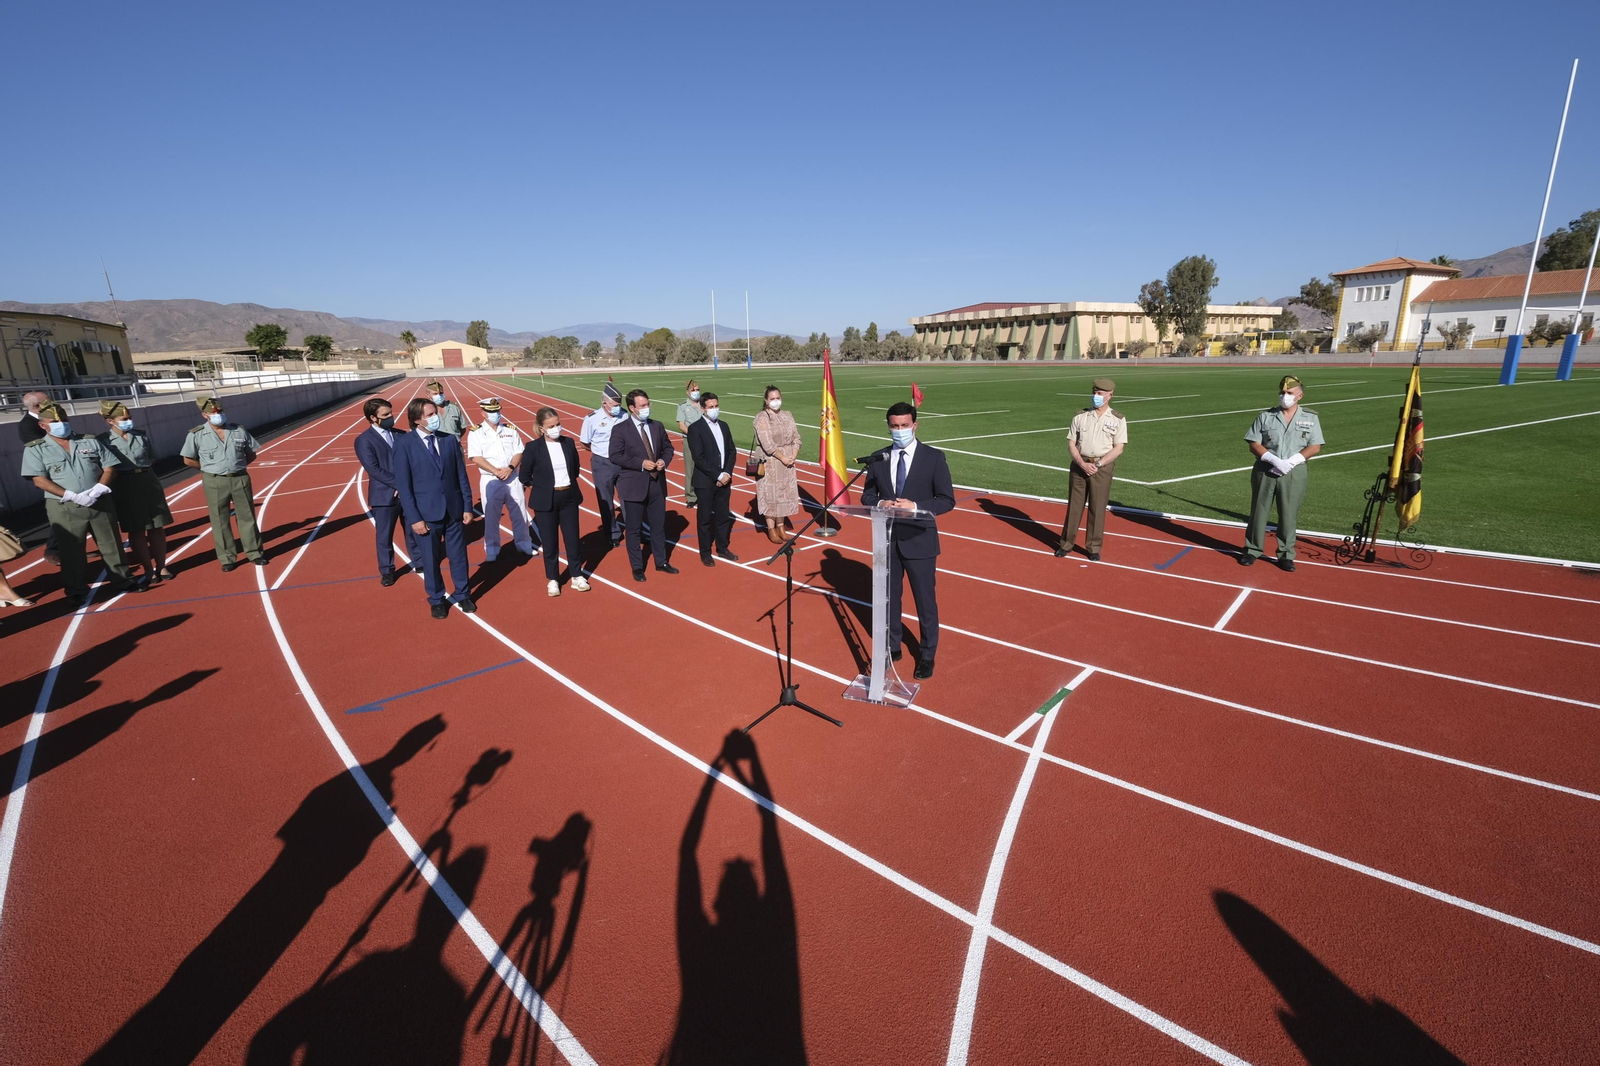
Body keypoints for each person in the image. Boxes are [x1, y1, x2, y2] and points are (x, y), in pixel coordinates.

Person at [860, 402, 954, 680]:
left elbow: (947, 500)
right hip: (887, 541)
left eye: (904, 426)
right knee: (889, 598)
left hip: (920, 541)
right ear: (888, 426)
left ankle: (927, 654)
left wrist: (914, 506)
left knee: (925, 601)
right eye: (894, 426)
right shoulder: (878, 458)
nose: (899, 431)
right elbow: (866, 497)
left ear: (915, 425)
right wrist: (880, 502)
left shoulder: (933, 458)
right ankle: (892, 646)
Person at [20, 402, 141, 605]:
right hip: (65, 506)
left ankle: (124, 580)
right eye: (55, 422)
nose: (62, 424)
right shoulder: (36, 449)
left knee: (111, 543)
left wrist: (99, 488)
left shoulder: (89, 441)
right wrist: (70, 495)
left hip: (98, 501)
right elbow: (39, 479)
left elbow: (110, 466)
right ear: (43, 426)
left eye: (64, 420)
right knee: (71, 550)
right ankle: (75, 588)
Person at [393, 398, 477, 618]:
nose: (435, 417)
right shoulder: (404, 444)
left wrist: (468, 506)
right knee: (430, 559)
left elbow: (461, 477)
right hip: (426, 514)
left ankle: (463, 594)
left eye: (435, 413)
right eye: (430, 415)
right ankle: (437, 598)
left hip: (454, 510)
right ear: (417, 420)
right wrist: (414, 518)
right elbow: (404, 485)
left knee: (459, 556)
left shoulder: (449, 441)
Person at [1242, 375, 1324, 572]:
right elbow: (1254, 443)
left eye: (1289, 393)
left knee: (1288, 514)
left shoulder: (1310, 418)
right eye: (1282, 392)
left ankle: (1286, 554)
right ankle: (1252, 550)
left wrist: (1293, 461)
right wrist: (1273, 459)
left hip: (1294, 472)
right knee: (1259, 511)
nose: (1284, 396)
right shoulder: (1266, 416)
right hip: (1266, 469)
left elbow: (1315, 446)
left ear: (1300, 396)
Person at [180, 397, 267, 572]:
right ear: (205, 415)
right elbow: (188, 459)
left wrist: (236, 467)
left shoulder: (238, 430)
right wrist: (208, 469)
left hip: (239, 478)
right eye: (214, 413)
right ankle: (227, 557)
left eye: (220, 411)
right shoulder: (196, 434)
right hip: (214, 480)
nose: (218, 415)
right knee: (220, 519)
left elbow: (251, 454)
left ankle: (254, 552)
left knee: (247, 517)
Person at [518, 406, 592, 597]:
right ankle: (553, 579)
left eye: (558, 424)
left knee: (572, 539)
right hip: (545, 500)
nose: (556, 428)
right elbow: (524, 476)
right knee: (550, 542)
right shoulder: (533, 448)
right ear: (541, 428)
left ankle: (577, 576)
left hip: (568, 496)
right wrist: (542, 487)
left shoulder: (568, 443)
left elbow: (575, 469)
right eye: (551, 426)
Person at [99, 400, 174, 585]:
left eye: (130, 417)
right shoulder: (103, 441)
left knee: (157, 526)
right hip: (124, 483)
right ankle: (148, 567)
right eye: (124, 418)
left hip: (148, 480)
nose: (129, 421)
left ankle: (161, 565)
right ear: (111, 421)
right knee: (136, 528)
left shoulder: (140, 436)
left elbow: (152, 456)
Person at [609, 388, 678, 581]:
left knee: (658, 526)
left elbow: (668, 448)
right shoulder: (620, 429)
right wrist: (640, 464)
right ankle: (637, 567)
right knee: (634, 529)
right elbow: (615, 455)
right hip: (633, 485)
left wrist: (664, 460)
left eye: (648, 404)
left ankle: (661, 561)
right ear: (632, 408)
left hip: (657, 483)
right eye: (642, 406)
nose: (647, 408)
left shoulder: (657, 426)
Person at [1056, 377, 1127, 561]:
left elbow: (1118, 448)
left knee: (1097, 508)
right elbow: (1071, 444)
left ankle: (1093, 547)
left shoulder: (1118, 419)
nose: (1096, 396)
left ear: (1110, 395)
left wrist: (1097, 465)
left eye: (1100, 393)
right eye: (1094, 392)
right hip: (1080, 466)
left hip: (1101, 468)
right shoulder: (1080, 416)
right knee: (1074, 507)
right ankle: (1066, 544)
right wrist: (1082, 464)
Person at [354, 397, 422, 585]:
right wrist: (400, 485)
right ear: (373, 418)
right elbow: (374, 469)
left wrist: (407, 487)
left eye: (391, 413)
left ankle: (419, 560)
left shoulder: (401, 434)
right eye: (386, 415)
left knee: (413, 530)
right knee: (384, 535)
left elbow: (413, 462)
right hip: (384, 497)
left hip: (407, 494)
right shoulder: (363, 441)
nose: (391, 417)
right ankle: (387, 570)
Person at [465, 397, 537, 564]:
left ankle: (524, 544)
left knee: (519, 513)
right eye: (491, 412)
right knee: (491, 517)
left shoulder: (510, 430)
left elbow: (519, 452)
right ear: (483, 413)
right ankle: (492, 549)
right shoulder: (476, 432)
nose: (495, 414)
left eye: (497, 411)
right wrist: (496, 471)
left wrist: (510, 468)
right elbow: (476, 457)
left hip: (512, 478)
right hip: (491, 479)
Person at [686, 391, 739, 567]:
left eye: (716, 406)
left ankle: (723, 548)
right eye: (711, 407)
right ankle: (705, 553)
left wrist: (727, 473)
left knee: (723, 516)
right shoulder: (695, 429)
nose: (715, 409)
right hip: (705, 482)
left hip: (725, 479)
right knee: (705, 519)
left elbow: (731, 451)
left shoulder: (724, 426)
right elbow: (698, 457)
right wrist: (717, 475)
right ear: (703, 409)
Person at [752, 385, 801, 545]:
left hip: (788, 462)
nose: (775, 401)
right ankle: (771, 528)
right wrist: (783, 457)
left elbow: (796, 438)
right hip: (771, 462)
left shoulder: (788, 415)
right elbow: (768, 444)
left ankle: (781, 526)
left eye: (778, 398)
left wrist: (793, 455)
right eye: (772, 398)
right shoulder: (762, 418)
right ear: (766, 400)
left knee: (784, 495)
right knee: (771, 495)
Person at [17, 391, 61, 568]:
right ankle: (53, 550)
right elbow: (43, 449)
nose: (52, 404)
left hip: (66, 469)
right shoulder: (27, 426)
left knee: (80, 512)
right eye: (47, 402)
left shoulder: (54, 416)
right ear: (36, 406)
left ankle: (72, 547)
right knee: (61, 514)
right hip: (52, 474)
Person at [579, 382, 625, 545]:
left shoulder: (624, 415)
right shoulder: (592, 419)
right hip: (602, 462)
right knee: (606, 499)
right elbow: (585, 442)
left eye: (619, 404)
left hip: (623, 462)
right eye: (615, 405)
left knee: (628, 497)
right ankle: (612, 533)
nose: (618, 407)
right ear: (604, 403)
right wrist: (600, 451)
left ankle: (635, 529)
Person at [676, 378, 704, 508]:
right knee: (690, 468)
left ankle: (704, 492)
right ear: (688, 392)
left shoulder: (704, 405)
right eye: (693, 390)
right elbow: (681, 425)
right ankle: (691, 496)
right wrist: (694, 435)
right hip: (690, 440)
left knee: (705, 466)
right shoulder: (683, 406)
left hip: (705, 440)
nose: (696, 392)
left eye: (697, 390)